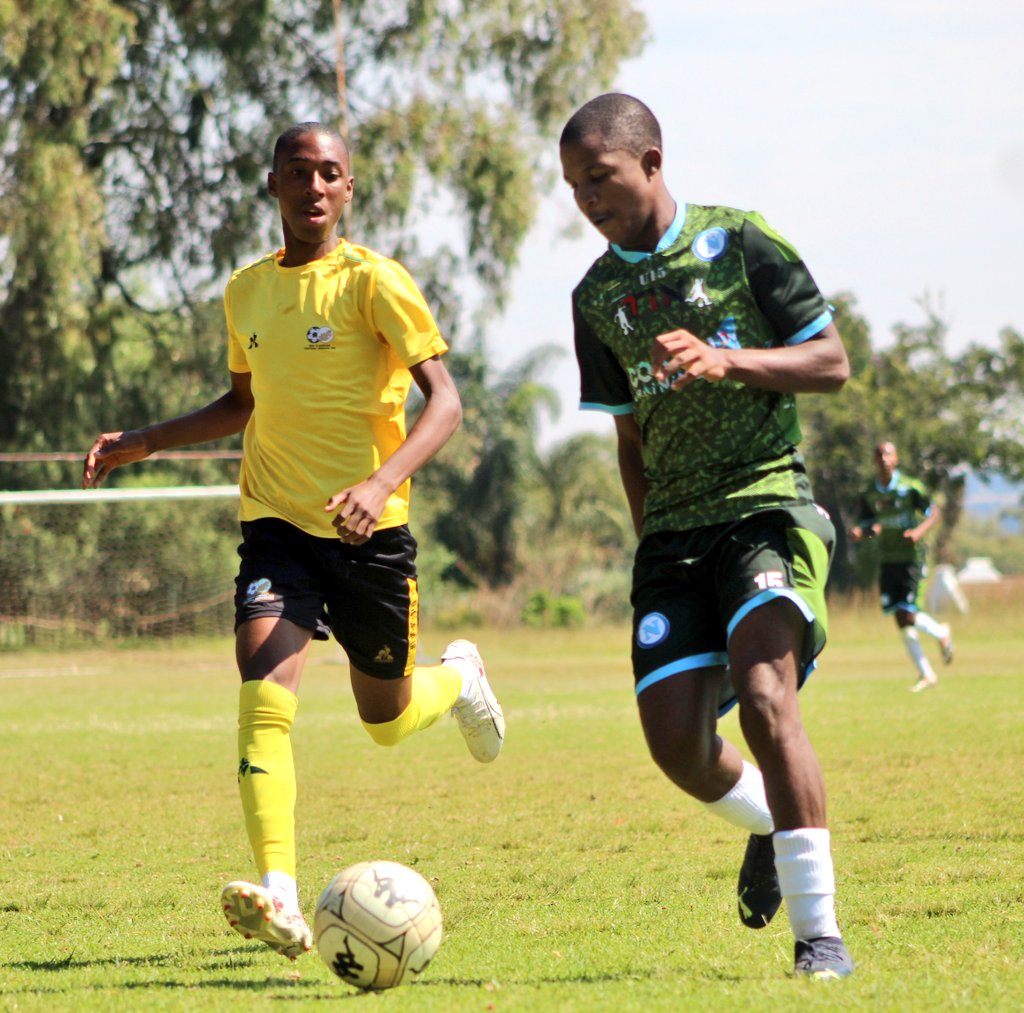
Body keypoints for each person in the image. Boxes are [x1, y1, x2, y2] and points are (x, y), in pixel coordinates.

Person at [82, 122, 505, 960]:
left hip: (371, 536)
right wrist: (145, 440)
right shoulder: (245, 293)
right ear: (271, 183)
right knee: (261, 693)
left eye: (331, 174)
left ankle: (457, 681)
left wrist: (381, 483)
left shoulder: (375, 283)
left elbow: (447, 403)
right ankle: (279, 891)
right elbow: (242, 403)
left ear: (349, 190)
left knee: (383, 719)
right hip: (276, 525)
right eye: (299, 172)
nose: (314, 186)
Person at [560, 93, 854, 979]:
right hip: (674, 540)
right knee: (675, 746)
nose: (587, 199)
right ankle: (772, 821)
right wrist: (652, 541)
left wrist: (729, 357)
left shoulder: (741, 241)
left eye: (600, 177)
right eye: (574, 186)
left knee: (768, 699)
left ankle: (820, 937)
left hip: (765, 506)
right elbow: (627, 437)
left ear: (652, 160)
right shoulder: (596, 297)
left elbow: (830, 361)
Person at [850, 440, 954, 692]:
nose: (884, 459)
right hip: (888, 560)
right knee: (900, 618)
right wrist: (863, 533)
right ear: (874, 462)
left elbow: (934, 513)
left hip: (912, 559)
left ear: (896, 459)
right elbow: (870, 526)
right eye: (879, 456)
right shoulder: (870, 494)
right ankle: (926, 674)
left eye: (888, 455)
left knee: (907, 611)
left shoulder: (910, 488)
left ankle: (940, 632)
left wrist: (918, 532)